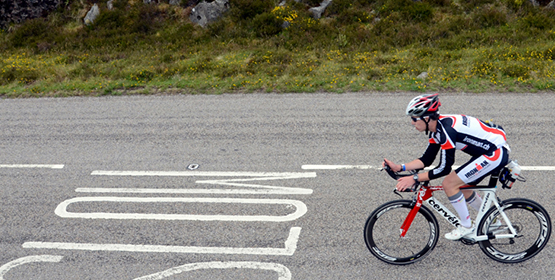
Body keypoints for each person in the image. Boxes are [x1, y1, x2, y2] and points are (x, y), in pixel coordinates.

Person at [383, 93, 509, 240]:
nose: (412, 123)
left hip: (495, 153)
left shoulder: (447, 131)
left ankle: (467, 226)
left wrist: (415, 178)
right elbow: (427, 159)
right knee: (462, 185)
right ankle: (493, 220)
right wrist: (400, 167)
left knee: (449, 183)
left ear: (427, 117)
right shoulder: (436, 129)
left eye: (414, 118)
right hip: (489, 150)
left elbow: (444, 168)